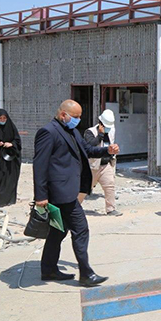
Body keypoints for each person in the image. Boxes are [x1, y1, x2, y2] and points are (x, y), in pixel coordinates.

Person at [33, 100, 120, 287]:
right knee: (81, 229)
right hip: (60, 193)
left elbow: (87, 150)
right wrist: (40, 196)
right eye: (75, 116)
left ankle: (48, 269)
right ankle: (86, 274)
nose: (78, 120)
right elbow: (39, 165)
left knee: (58, 231)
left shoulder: (71, 131)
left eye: (80, 117)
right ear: (63, 114)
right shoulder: (48, 132)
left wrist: (107, 149)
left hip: (69, 190)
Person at [83, 109, 122, 216]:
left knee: (110, 186)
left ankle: (110, 209)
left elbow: (111, 144)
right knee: (83, 189)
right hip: (93, 166)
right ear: (100, 124)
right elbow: (90, 146)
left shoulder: (111, 131)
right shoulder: (90, 132)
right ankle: (74, 208)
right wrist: (100, 135)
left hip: (106, 164)